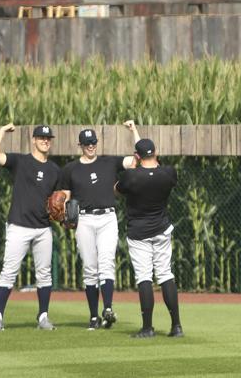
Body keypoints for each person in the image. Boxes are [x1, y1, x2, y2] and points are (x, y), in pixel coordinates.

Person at [58, 119, 140, 330]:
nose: (91, 146)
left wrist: (134, 131)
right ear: (80, 146)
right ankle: (94, 316)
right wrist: (61, 213)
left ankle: (108, 309)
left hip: (107, 218)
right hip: (84, 219)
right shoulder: (70, 169)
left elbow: (137, 159)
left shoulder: (108, 162)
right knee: (89, 268)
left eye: (93, 142)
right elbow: (64, 197)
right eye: (87, 143)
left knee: (106, 263)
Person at [0, 122, 60, 332]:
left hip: (43, 228)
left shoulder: (54, 170)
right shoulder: (20, 161)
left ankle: (43, 317)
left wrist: (62, 212)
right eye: (41, 138)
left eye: (48, 138)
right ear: (34, 140)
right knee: (8, 272)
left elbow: (60, 199)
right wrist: (1, 131)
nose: (45, 141)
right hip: (18, 226)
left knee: (44, 274)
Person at [115, 136, 183, 338]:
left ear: (137, 156)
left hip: (139, 231)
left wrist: (133, 166)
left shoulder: (131, 177)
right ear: (156, 153)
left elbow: (117, 190)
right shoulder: (169, 173)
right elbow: (160, 171)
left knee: (144, 277)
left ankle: (147, 328)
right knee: (165, 274)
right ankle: (176, 326)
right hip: (162, 229)